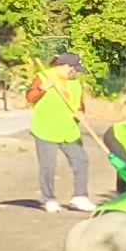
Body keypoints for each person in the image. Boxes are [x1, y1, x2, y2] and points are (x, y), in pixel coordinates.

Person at [27, 55, 99, 211]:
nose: (75, 72)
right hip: (46, 129)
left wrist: (80, 113)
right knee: (48, 166)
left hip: (69, 130)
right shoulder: (44, 77)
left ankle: (80, 197)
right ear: (65, 66)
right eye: (73, 68)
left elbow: (79, 104)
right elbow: (30, 97)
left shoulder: (74, 83)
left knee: (81, 160)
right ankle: (49, 199)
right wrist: (44, 87)